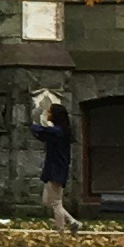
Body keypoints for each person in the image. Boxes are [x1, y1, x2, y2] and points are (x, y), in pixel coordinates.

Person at [33, 92, 81, 233]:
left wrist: (34, 121)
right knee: (47, 201)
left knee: (56, 202)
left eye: (49, 112)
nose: (47, 114)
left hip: (56, 169)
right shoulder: (59, 131)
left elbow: (39, 130)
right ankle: (72, 222)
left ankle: (61, 229)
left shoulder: (58, 132)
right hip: (53, 167)